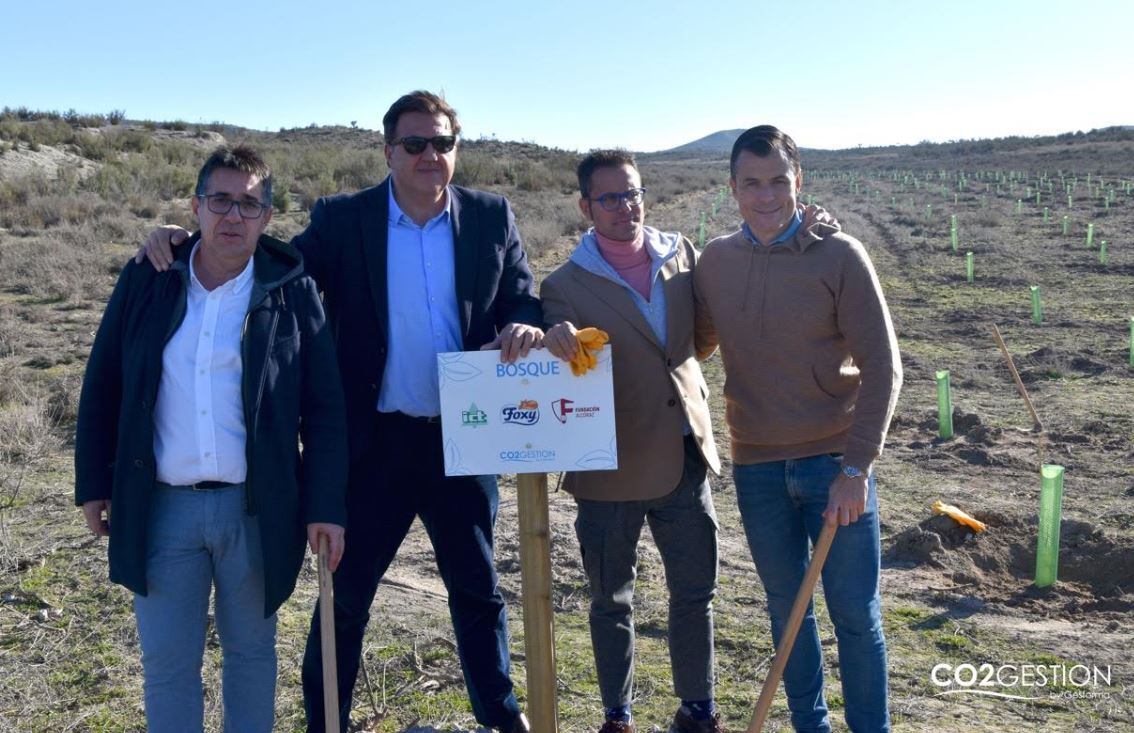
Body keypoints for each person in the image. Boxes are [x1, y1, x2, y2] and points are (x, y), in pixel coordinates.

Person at [138, 91, 540, 733]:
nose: (430, 155)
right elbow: (276, 264)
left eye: (442, 143)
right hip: (373, 443)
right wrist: (192, 240)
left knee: (478, 589)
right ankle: (327, 722)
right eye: (415, 144)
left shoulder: (492, 218)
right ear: (388, 151)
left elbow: (522, 294)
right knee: (345, 599)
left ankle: (501, 714)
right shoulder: (345, 218)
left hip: (465, 438)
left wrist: (525, 324)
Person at [76, 144, 348, 732]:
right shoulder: (148, 277)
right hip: (161, 509)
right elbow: (104, 382)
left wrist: (326, 506)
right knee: (168, 665)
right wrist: (94, 484)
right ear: (196, 207)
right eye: (221, 200)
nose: (233, 216)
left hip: (254, 510)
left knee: (251, 657)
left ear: (268, 218)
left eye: (250, 204)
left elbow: (325, 412)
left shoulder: (290, 290)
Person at [693, 126, 902, 733]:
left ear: (798, 181)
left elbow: (885, 367)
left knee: (856, 616)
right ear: (732, 188)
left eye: (778, 181)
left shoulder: (840, 255)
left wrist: (857, 469)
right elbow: (693, 341)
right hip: (757, 469)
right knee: (787, 614)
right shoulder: (716, 262)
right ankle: (809, 724)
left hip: (833, 464)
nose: (766, 195)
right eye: (752, 183)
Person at [541, 150, 724, 733]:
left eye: (634, 193)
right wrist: (551, 336)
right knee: (611, 599)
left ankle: (698, 710)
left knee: (695, 593)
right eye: (611, 198)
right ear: (585, 206)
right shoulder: (564, 287)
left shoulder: (682, 257)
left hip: (683, 456)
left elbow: (703, 338)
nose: (627, 207)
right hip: (608, 465)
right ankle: (617, 716)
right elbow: (554, 363)